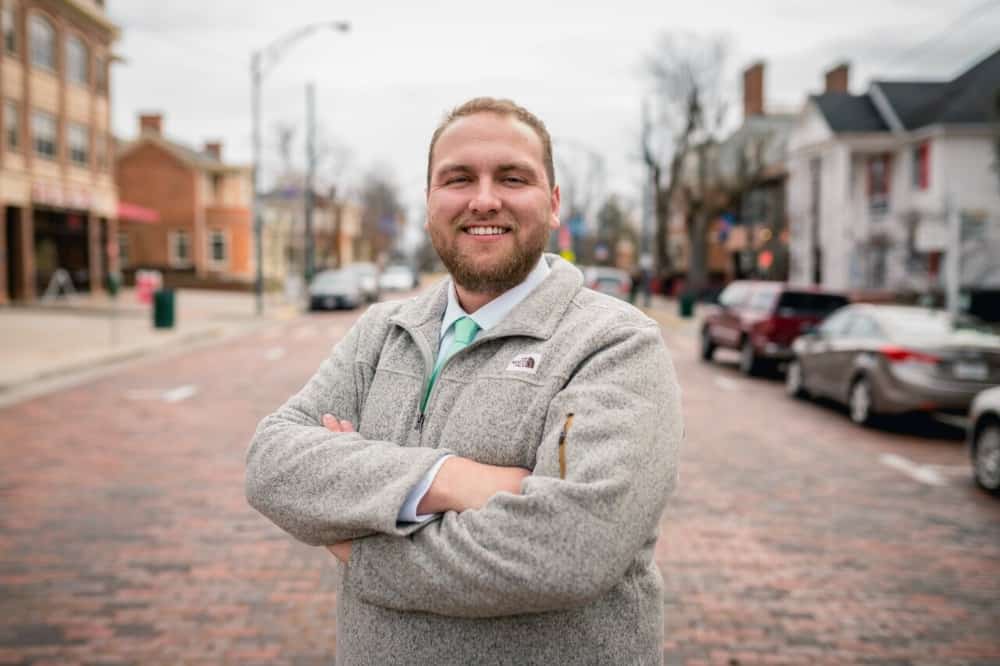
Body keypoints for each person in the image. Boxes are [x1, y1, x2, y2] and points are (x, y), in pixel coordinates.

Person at [246, 97, 682, 665]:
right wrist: (450, 479)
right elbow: (271, 463)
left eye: (512, 177)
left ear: (552, 205)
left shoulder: (616, 343)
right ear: (429, 203)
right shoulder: (383, 331)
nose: (483, 199)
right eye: (458, 179)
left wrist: (360, 542)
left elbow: (572, 548)